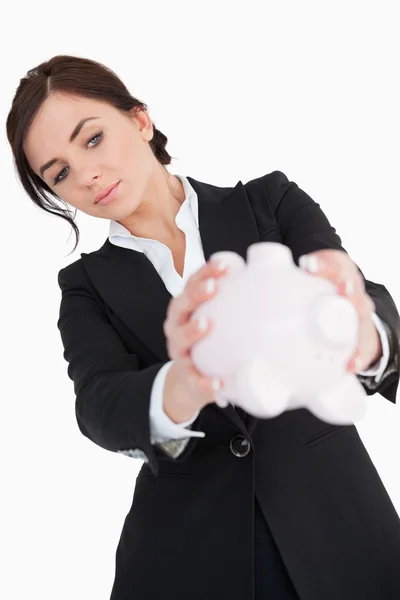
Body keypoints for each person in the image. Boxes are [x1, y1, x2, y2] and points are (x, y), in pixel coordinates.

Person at [6, 54, 400, 600]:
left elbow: (362, 298)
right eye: (60, 173)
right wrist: (185, 381)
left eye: (91, 140)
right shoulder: (84, 285)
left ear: (140, 121)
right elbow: (99, 405)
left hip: (340, 530)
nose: (86, 174)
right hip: (186, 557)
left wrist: (359, 333)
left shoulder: (270, 202)